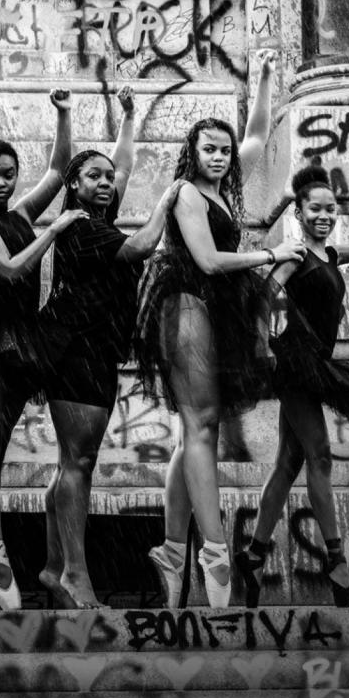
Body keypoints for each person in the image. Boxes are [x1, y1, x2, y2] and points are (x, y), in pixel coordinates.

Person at [136, 50, 305, 609]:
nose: (219, 156)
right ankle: (213, 550)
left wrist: (262, 78)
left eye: (223, 149)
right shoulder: (186, 192)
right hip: (185, 303)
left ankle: (171, 549)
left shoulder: (223, 179)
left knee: (192, 434)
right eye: (208, 148)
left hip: (215, 312)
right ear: (192, 152)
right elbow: (208, 260)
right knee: (202, 425)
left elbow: (255, 131)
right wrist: (269, 253)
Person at [39, 87, 182, 609]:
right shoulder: (82, 229)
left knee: (70, 464)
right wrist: (169, 197)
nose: (105, 182)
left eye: (106, 179)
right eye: (92, 177)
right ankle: (76, 575)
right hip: (77, 354)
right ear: (74, 187)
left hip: (89, 352)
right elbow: (142, 246)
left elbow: (122, 164)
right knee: (79, 461)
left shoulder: (97, 217)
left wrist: (127, 115)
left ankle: (55, 569)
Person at [234, 165, 349, 609]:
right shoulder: (294, 255)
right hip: (295, 364)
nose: (324, 214)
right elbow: (261, 296)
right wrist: (263, 343)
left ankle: (253, 554)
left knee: (289, 464)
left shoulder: (331, 255)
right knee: (320, 455)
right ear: (300, 212)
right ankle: (336, 559)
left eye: (331, 208)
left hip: (317, 364)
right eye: (316, 208)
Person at [0, 90, 87, 611]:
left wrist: (62, 113)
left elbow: (59, 170)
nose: (3, 181)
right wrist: (53, 231)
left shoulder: (15, 212)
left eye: (8, 173)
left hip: (20, 345)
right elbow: (11, 269)